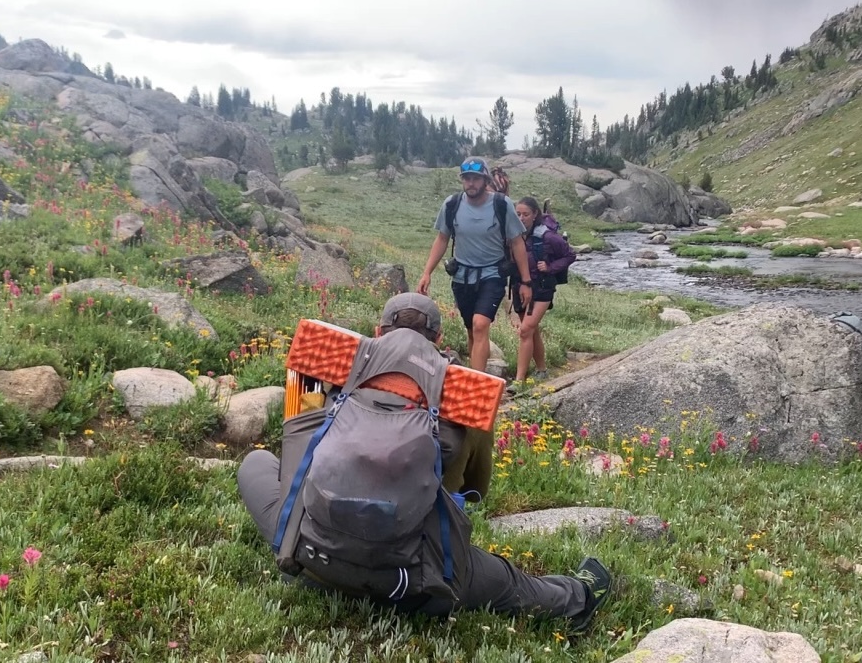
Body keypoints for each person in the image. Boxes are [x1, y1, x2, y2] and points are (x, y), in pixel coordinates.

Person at [237, 293, 611, 631]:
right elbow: (475, 491)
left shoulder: (326, 369)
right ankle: (580, 597)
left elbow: (297, 448)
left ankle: (309, 558)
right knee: (511, 584)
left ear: (377, 331)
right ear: (437, 339)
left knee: (256, 464)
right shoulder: (465, 397)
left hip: (309, 555)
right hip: (412, 580)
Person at [417, 156, 532, 373]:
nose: (471, 183)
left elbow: (517, 243)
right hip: (462, 277)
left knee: (481, 324)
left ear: (485, 180)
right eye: (466, 178)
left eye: (476, 178)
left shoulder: (501, 204)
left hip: (493, 275)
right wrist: (426, 273)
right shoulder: (452, 204)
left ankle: (475, 383)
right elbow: (442, 239)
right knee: (472, 329)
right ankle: (475, 372)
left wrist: (526, 281)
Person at [508, 197, 576, 391]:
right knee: (532, 330)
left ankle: (519, 381)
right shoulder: (512, 235)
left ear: (535, 214)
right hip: (519, 287)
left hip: (543, 288)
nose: (521, 218)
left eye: (526, 214)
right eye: (518, 214)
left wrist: (551, 266)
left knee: (525, 330)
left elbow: (570, 255)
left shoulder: (547, 237)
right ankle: (541, 369)